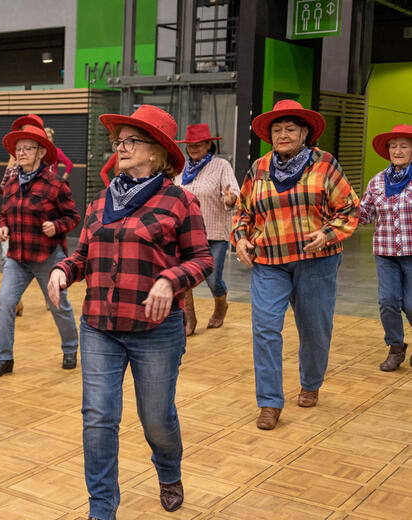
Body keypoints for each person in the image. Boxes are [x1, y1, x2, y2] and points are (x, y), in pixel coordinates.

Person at [48, 104, 213, 520]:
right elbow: (83, 254)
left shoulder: (180, 200)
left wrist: (169, 279)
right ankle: (101, 510)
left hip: (156, 330)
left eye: (129, 141)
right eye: (117, 141)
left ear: (156, 152)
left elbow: (202, 260)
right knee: (99, 417)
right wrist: (64, 270)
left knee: (155, 417)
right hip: (100, 324)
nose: (119, 148)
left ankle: (169, 472)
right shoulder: (102, 200)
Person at [232, 99, 359, 430]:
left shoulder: (325, 165)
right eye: (277, 129)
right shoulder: (259, 167)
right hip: (270, 261)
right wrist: (241, 238)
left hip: (316, 261)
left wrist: (328, 234)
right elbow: (244, 211)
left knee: (315, 329)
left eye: (290, 128)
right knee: (265, 329)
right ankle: (270, 403)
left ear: (305, 133)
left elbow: (348, 208)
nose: (283, 134)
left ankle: (311, 382)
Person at [0, 125, 80, 377]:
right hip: (17, 257)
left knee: (58, 305)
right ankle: (4, 358)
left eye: (27, 148)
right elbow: (5, 213)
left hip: (47, 256)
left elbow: (73, 216)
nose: (21, 152)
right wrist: (3, 227)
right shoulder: (12, 183)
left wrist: (57, 225)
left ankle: (70, 348)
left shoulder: (56, 184)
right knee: (5, 302)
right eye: (18, 149)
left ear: (41, 152)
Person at [175, 123, 240, 333]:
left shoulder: (221, 165)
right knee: (184, 277)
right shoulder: (180, 169)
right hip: (185, 233)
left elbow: (233, 191)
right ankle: (189, 320)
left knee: (213, 280)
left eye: (199, 144)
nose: (194, 148)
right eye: (190, 145)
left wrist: (231, 199)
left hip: (214, 233)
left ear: (208, 144)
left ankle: (221, 306)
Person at [358, 124, 412, 371]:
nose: (397, 151)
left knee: (411, 303)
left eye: (404, 146)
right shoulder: (377, 181)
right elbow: (364, 214)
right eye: (393, 146)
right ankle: (396, 347)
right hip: (385, 251)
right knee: (388, 300)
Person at [0, 113, 47, 317]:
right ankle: (14, 299)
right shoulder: (13, 160)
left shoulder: (44, 159)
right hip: (12, 220)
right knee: (7, 259)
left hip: (35, 225)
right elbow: (7, 190)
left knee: (43, 268)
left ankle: (53, 297)